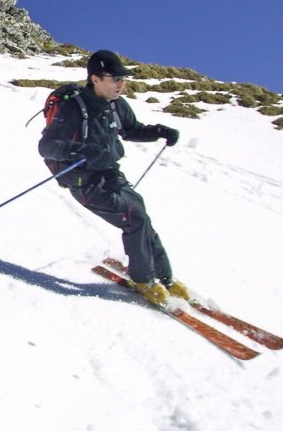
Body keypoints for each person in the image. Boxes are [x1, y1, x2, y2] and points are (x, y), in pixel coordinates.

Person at [38, 50, 189, 305]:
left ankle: (165, 279)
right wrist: (80, 150)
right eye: (115, 78)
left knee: (141, 215)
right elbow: (47, 146)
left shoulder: (116, 105)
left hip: (111, 175)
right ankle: (143, 281)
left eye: (123, 78)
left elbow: (131, 130)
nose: (121, 83)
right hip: (83, 182)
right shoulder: (74, 107)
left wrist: (160, 132)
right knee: (134, 216)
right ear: (95, 79)